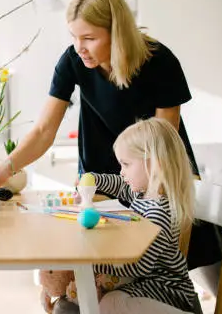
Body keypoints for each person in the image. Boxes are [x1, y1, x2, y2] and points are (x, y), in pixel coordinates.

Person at [0, 0, 219, 270]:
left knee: (152, 265)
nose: (79, 47)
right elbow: (43, 131)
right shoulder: (72, 61)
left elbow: (161, 147)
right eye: (74, 36)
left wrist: (148, 195)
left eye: (89, 38)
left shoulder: (159, 62)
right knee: (92, 265)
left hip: (153, 177)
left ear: (117, 33)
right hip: (99, 177)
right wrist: (5, 168)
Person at [48, 118, 197, 314]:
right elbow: (119, 184)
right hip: (144, 285)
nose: (122, 171)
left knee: (110, 304)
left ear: (154, 165)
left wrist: (95, 263)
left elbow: (137, 266)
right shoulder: (143, 193)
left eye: (126, 164)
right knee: (102, 301)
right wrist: (93, 179)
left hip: (167, 293)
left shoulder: (159, 213)